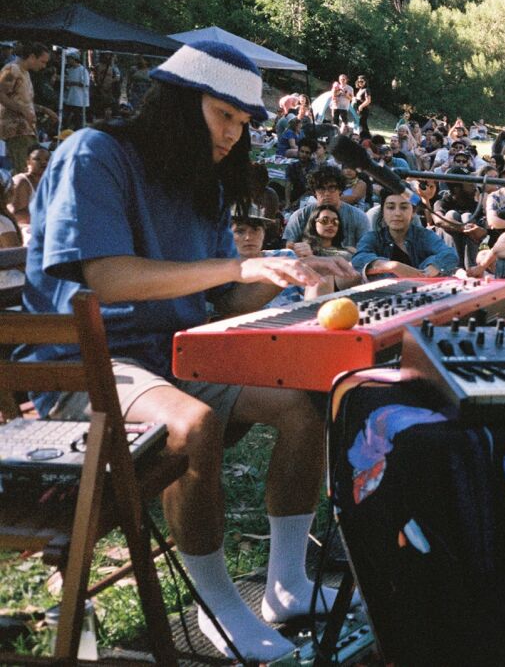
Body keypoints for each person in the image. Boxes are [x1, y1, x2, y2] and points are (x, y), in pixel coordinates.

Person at [19, 41, 356, 661]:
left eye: (244, 122)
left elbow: (220, 306)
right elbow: (110, 279)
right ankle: (217, 607)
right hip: (85, 370)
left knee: (305, 405)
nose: (234, 134)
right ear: (178, 102)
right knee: (191, 425)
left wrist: (286, 271)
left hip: (173, 356)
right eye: (224, 114)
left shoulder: (198, 179)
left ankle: (285, 585)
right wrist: (235, 262)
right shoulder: (94, 155)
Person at [351, 189, 459, 281]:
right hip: (386, 293)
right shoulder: (373, 238)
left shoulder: (423, 235)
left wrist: (432, 268)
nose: (397, 213)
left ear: (413, 212)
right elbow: (359, 259)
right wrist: (392, 266)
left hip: (421, 288)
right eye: (390, 207)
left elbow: (450, 254)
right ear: (383, 212)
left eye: (403, 207)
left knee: (432, 259)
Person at [282, 165, 372, 255]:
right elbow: (287, 251)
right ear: (314, 192)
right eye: (321, 189)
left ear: (340, 190)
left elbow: (367, 252)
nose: (327, 193)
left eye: (332, 188)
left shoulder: (358, 217)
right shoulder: (300, 216)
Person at [0, 42, 54, 171]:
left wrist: (44, 110)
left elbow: (22, 101)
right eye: (42, 62)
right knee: (25, 170)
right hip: (16, 131)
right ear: (31, 57)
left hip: (26, 129)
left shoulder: (25, 73)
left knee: (30, 169)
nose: (44, 66)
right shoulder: (12, 69)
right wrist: (22, 110)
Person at [8, 145, 49, 241]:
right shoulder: (22, 181)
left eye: (47, 159)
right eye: (37, 159)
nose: (43, 162)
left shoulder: (51, 181)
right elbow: (16, 214)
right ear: (28, 162)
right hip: (24, 230)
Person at [62, 50, 90, 132]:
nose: (68, 60)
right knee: (67, 117)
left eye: (69, 59)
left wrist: (72, 83)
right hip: (70, 98)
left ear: (74, 59)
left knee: (78, 120)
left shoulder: (83, 70)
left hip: (79, 100)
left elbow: (85, 84)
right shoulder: (69, 70)